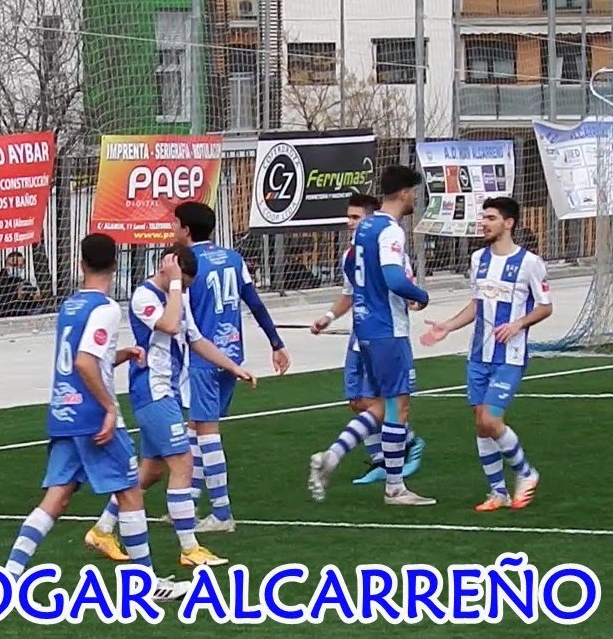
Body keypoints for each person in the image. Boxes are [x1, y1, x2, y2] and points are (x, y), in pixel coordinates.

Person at [2, 233, 190, 602]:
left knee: (56, 498)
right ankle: (146, 584)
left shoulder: (70, 306)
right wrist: (108, 408)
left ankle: (10, 575)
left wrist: (121, 354)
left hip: (64, 413)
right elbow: (84, 362)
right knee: (130, 492)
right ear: (115, 265)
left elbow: (83, 358)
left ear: (80, 264)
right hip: (93, 416)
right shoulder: (106, 308)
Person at [84, 245, 254, 569]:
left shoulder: (178, 296)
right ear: (169, 269)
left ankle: (102, 529)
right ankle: (189, 547)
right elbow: (171, 325)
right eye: (183, 282)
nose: (186, 289)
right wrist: (176, 284)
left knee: (151, 471)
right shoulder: (143, 296)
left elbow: (196, 339)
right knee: (183, 462)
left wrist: (232, 367)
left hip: (168, 392)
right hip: (153, 391)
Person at [309, 165, 435, 506]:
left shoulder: (363, 229)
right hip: (388, 329)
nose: (415, 199)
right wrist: (420, 295)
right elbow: (393, 278)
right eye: (414, 193)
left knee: (379, 405)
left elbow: (354, 273)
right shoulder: (390, 230)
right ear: (405, 192)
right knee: (398, 407)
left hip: (364, 328)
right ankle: (395, 487)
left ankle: (333, 456)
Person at [420, 197, 551, 511]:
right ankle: (498, 492)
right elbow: (477, 304)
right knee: (481, 423)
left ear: (509, 223)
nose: (484, 223)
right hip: (478, 355)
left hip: (509, 356)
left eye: (491, 218)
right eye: (484, 218)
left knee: (492, 419)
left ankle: (526, 472)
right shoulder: (478, 258)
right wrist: (448, 326)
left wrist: (518, 323)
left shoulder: (530, 263)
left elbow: (545, 307)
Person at [174, 201, 290, 533]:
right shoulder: (233, 258)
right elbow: (254, 302)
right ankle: (188, 501)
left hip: (204, 356)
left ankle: (222, 513)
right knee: (197, 426)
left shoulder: (186, 263)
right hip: (231, 353)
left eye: (175, 224)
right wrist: (276, 342)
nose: (173, 229)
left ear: (186, 229)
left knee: (206, 431)